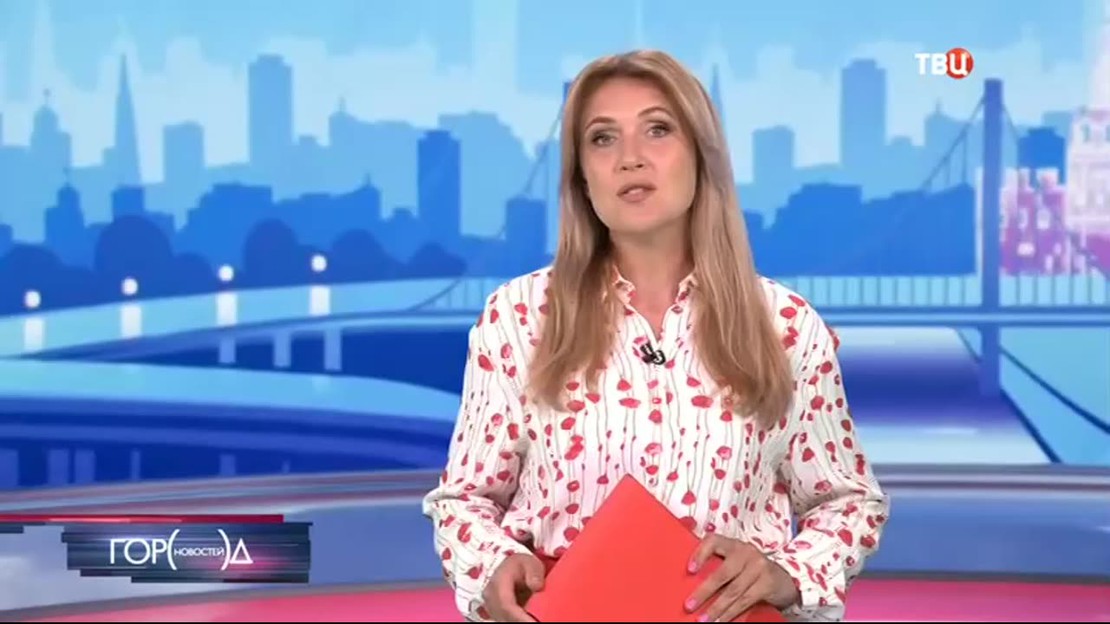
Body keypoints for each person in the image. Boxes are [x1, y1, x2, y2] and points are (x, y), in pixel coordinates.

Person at [422, 49, 890, 623]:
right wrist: (493, 565)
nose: (630, 158)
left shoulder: (786, 325)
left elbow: (848, 501)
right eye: (602, 139)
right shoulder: (518, 317)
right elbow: (464, 501)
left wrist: (788, 573)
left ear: (700, 156)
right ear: (582, 177)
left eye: (658, 130)